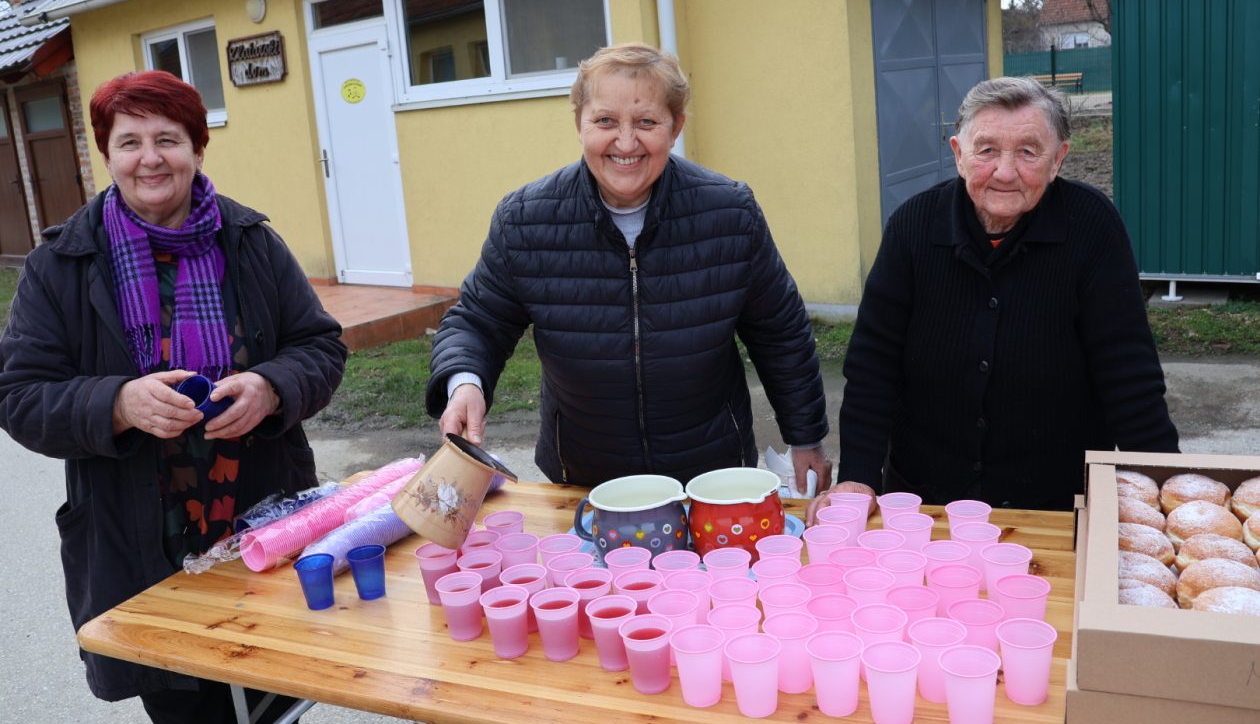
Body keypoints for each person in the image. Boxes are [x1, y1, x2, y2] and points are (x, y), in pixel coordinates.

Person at [0, 71, 347, 723]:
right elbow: (19, 396)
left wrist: (272, 388)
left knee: (276, 703)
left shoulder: (249, 243)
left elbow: (320, 348)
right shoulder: (62, 266)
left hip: (260, 531)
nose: (150, 157)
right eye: (129, 141)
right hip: (141, 551)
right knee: (188, 708)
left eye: (168, 138)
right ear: (106, 153)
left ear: (197, 148)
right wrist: (117, 404)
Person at [426, 42, 830, 492]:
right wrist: (466, 383)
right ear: (579, 123)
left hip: (710, 476)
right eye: (604, 121)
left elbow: (781, 333)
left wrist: (805, 437)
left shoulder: (730, 213)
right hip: (584, 476)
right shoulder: (524, 219)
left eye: (646, 122)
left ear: (675, 127)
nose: (625, 142)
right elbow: (479, 322)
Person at [808, 76, 1178, 522]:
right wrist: (859, 476)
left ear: (1058, 158)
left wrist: (1165, 489)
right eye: (986, 150)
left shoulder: (1091, 226)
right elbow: (873, 366)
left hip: (1056, 505)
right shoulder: (913, 227)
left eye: (1028, 151)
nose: (1005, 171)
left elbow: (1128, 374)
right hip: (925, 506)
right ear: (958, 154)